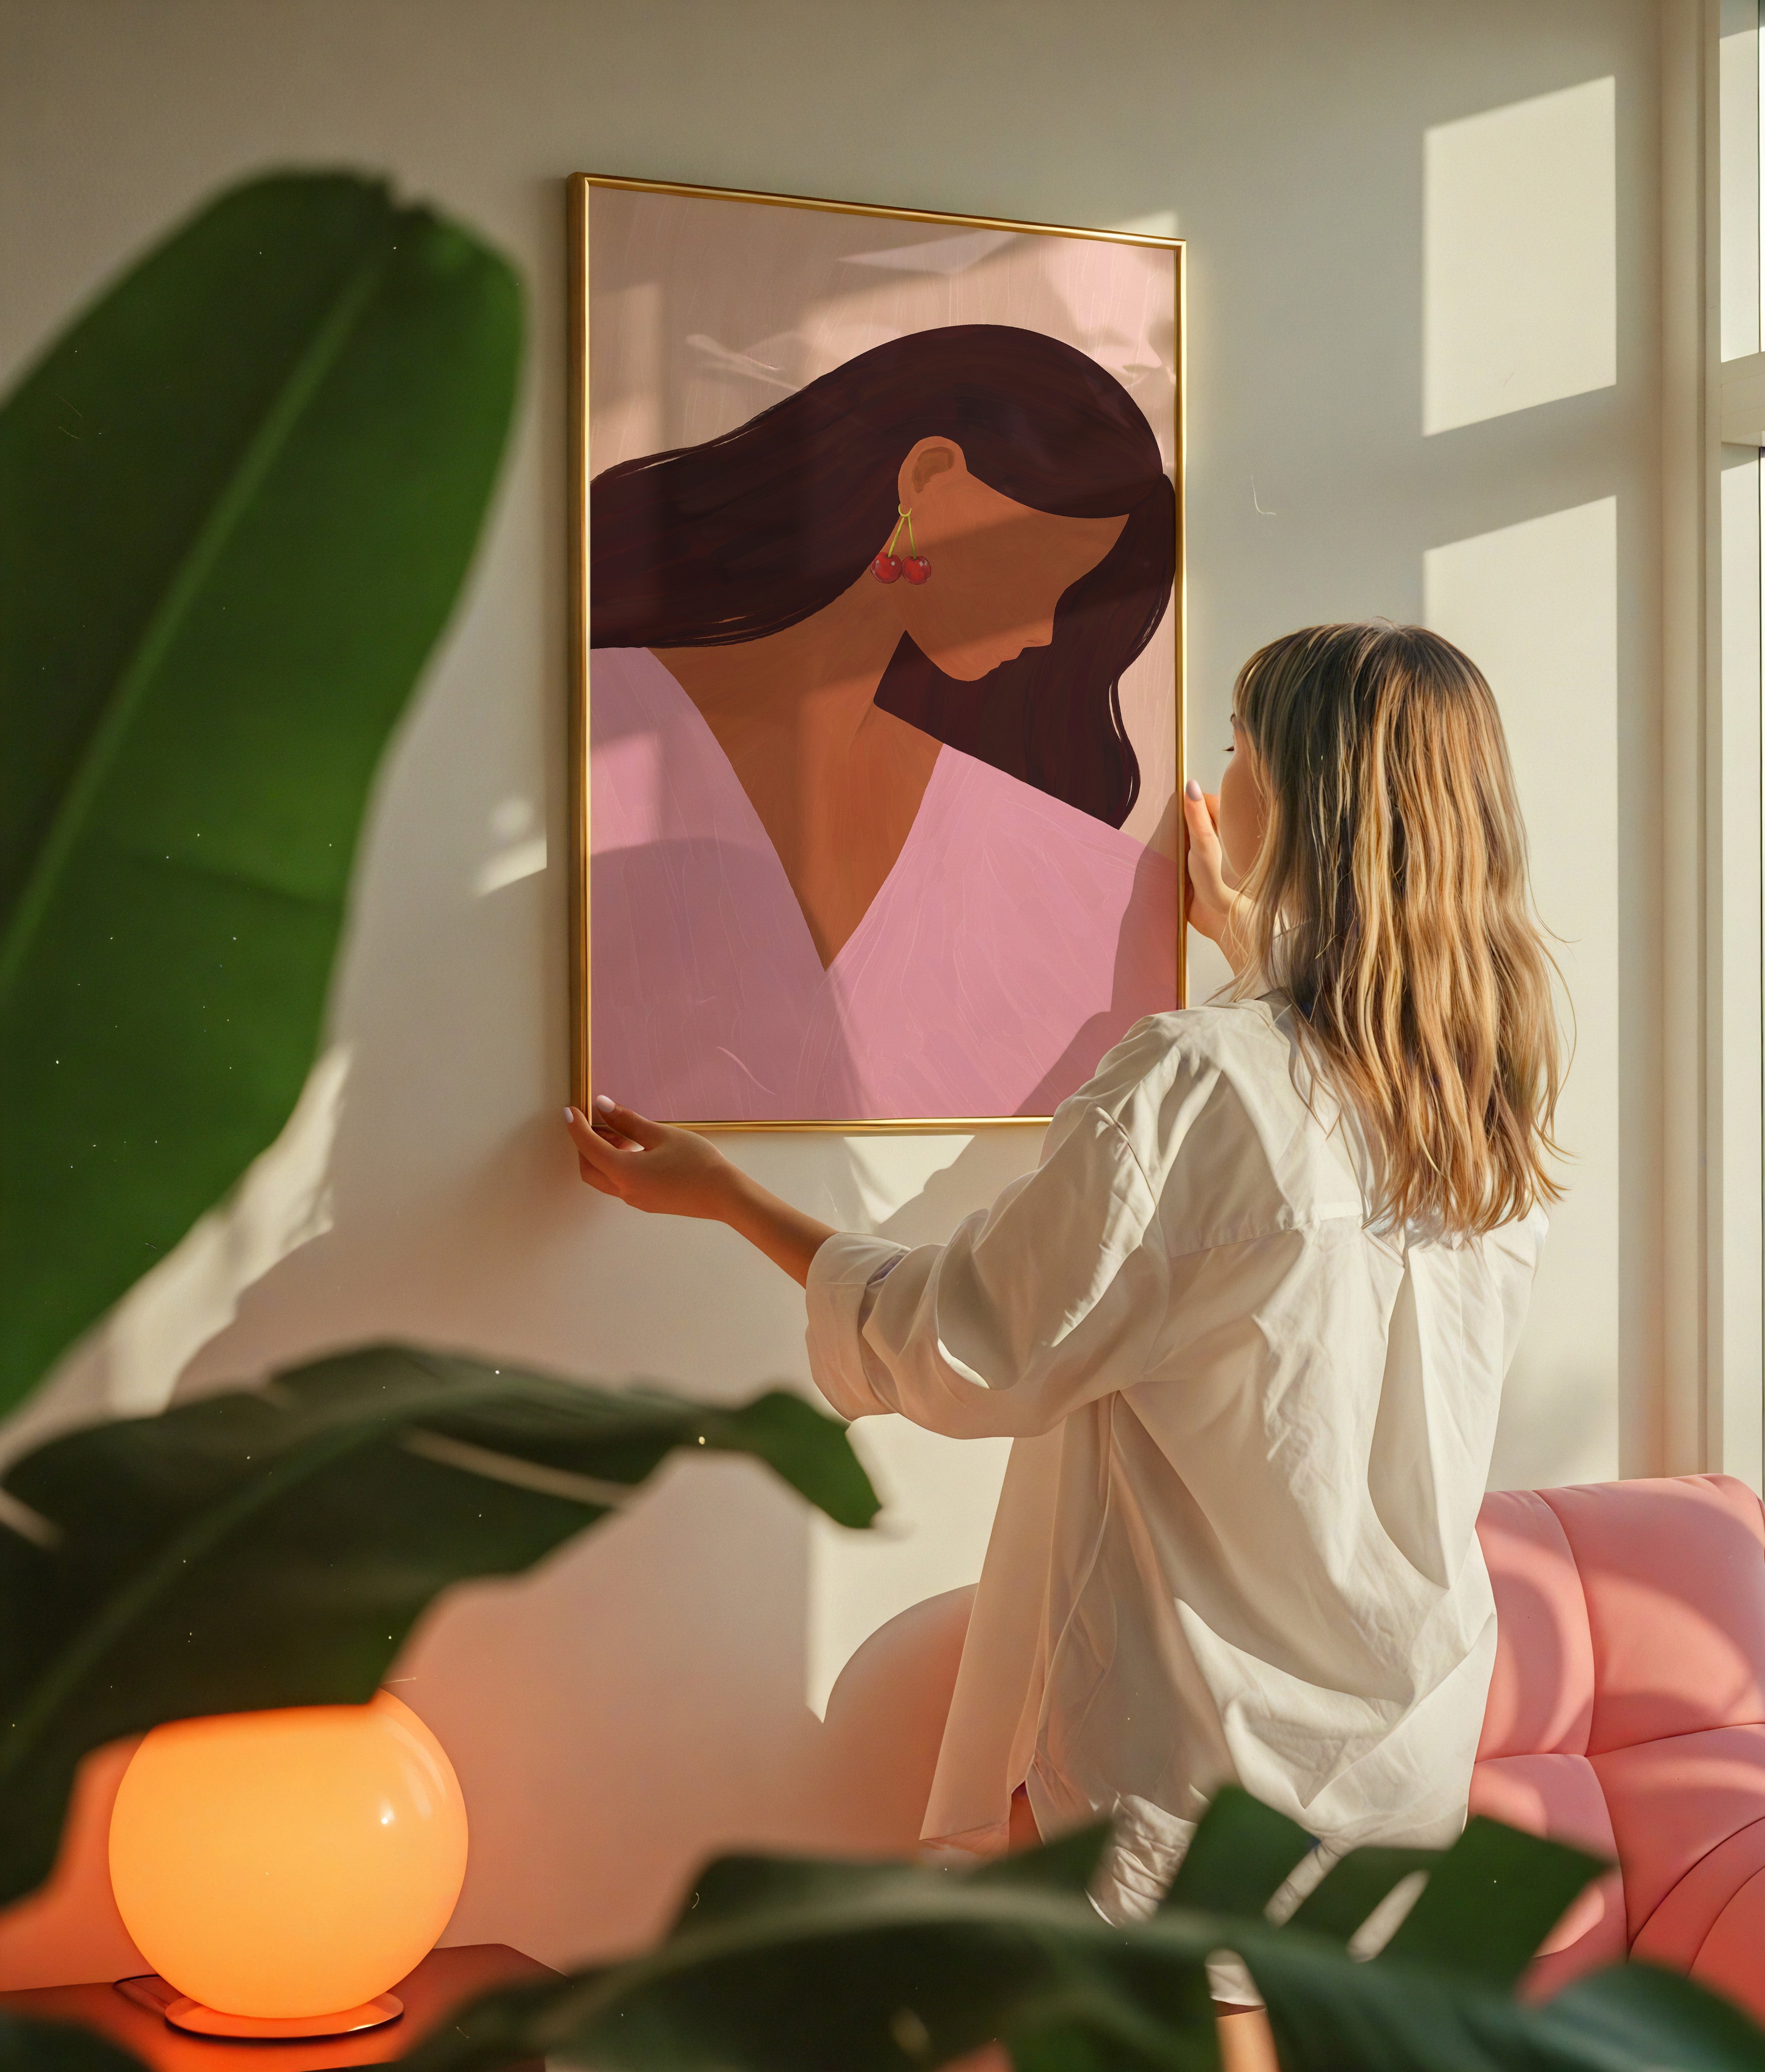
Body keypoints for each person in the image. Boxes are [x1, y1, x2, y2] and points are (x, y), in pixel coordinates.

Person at [564, 619, 1562, 2026]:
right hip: (1403, 1751)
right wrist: (1252, 950)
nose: (1214, 772)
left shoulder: (1201, 1082)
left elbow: (961, 1346)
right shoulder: (1481, 1101)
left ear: (1306, 803)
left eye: (1236, 743)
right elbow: (1263, 1258)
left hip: (1198, 1770)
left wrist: (730, 1196)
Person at [586, 324, 1179, 1124]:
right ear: (930, 477)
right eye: (1032, 570)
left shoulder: (1055, 872)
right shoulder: (585, 730)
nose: (1045, 631)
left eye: (1068, 593)